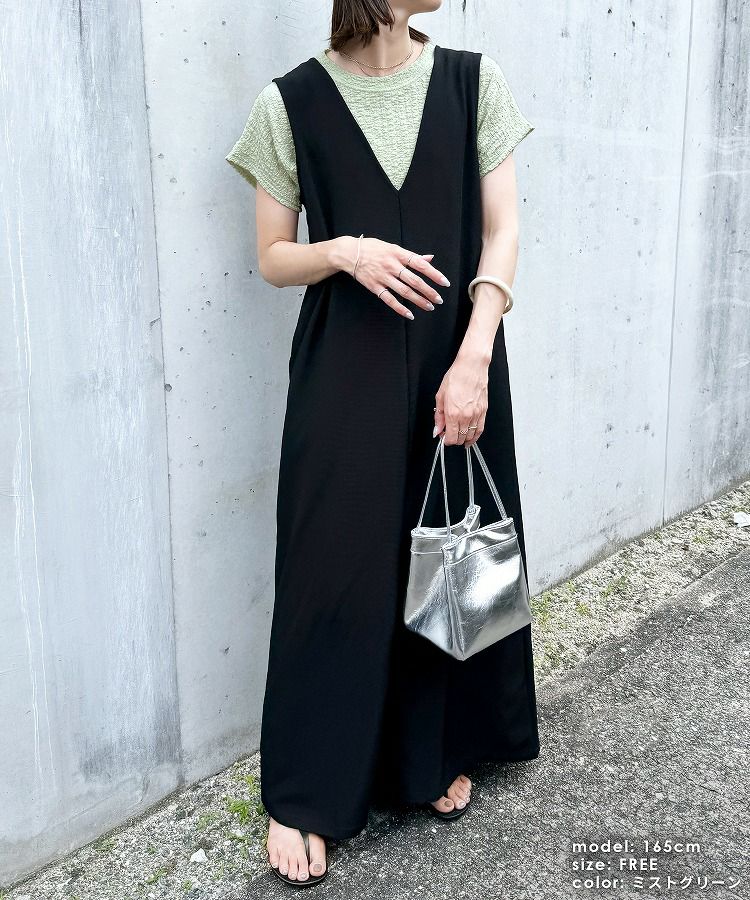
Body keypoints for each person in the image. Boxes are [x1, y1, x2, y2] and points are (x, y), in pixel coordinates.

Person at [225, 0, 540, 887]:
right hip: (342, 372)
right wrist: (345, 252)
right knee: (331, 570)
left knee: (444, 551)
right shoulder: (289, 102)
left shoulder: (474, 82)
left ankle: (428, 754)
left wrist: (475, 356)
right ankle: (306, 790)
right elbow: (272, 256)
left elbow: (503, 231)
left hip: (456, 359)